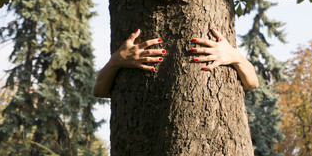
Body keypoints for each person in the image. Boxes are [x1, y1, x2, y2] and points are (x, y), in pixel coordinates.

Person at [93, 28, 259, 98]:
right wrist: (115, 61)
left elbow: (252, 82)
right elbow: (99, 90)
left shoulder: (230, 54)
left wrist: (236, 56)